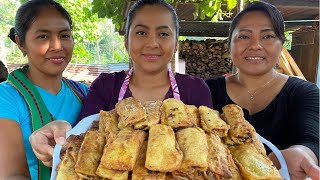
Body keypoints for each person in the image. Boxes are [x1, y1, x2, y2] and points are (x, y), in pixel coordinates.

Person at [29, 0, 213, 172]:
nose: (152, 43)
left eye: (163, 34)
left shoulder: (195, 90)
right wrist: (60, 136)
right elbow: (84, 140)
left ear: (175, 45)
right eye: (141, 32)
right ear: (126, 42)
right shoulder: (106, 86)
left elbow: (210, 147)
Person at [205, 1, 319, 180]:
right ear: (229, 44)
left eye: (267, 36)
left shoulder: (304, 93)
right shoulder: (206, 91)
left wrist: (302, 152)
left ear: (281, 44)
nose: (255, 45)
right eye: (243, 36)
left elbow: (312, 139)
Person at [0, 0, 88, 179]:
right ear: (21, 42)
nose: (57, 46)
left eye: (64, 35)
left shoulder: (85, 93)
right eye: (43, 37)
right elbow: (12, 174)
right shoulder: (6, 97)